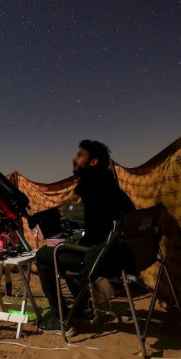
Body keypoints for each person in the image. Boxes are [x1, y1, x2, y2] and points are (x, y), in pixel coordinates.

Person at [35, 139, 136, 333]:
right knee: (64, 255)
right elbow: (100, 224)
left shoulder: (93, 188)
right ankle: (83, 310)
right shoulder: (112, 188)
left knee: (45, 255)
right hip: (122, 257)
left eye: (81, 155)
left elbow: (95, 235)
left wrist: (70, 243)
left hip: (102, 259)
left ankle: (61, 318)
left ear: (93, 162)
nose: (75, 158)